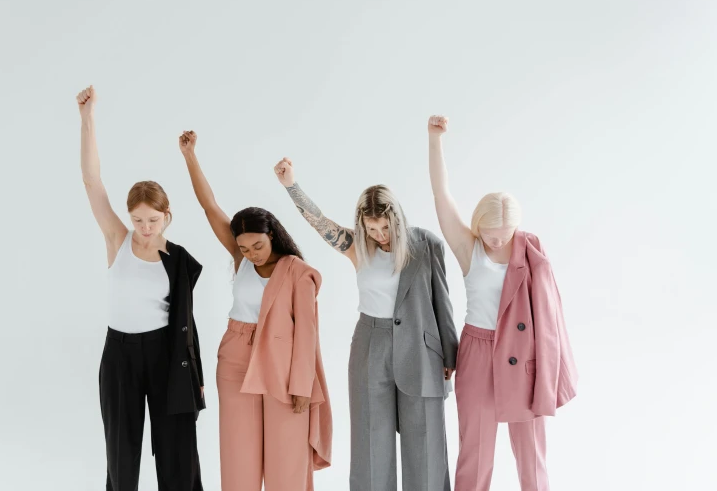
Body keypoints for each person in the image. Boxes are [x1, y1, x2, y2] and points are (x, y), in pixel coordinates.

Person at [274, 157, 458, 491]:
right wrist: (292, 186)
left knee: (426, 441)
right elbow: (320, 223)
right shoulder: (358, 247)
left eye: (385, 228)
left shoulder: (426, 244)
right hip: (370, 345)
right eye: (372, 228)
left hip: (421, 347)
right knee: (371, 442)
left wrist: (450, 354)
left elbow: (441, 301)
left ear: (397, 220)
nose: (379, 235)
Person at [426, 115, 578, 491]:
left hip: (524, 353)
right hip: (477, 349)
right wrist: (435, 140)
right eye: (489, 235)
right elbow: (441, 197)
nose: (496, 242)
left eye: (504, 236)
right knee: (474, 453)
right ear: (479, 227)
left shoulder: (529, 251)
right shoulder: (469, 248)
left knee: (531, 455)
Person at [179, 131, 332, 491]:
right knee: (238, 458)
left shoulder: (297, 271)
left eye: (258, 245)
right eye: (244, 248)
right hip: (235, 356)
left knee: (286, 462)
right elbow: (210, 207)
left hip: (284, 366)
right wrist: (190, 157)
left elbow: (307, 334)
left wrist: (302, 386)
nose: (251, 254)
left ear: (273, 236)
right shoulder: (241, 259)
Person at [77, 86, 205, 491]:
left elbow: (186, 323)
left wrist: (197, 375)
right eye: (138, 220)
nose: (145, 228)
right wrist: (87, 119)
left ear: (167, 215)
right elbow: (92, 180)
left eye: (152, 220)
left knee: (176, 454)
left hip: (166, 357)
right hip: (120, 355)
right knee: (122, 452)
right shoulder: (117, 240)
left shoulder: (178, 259)